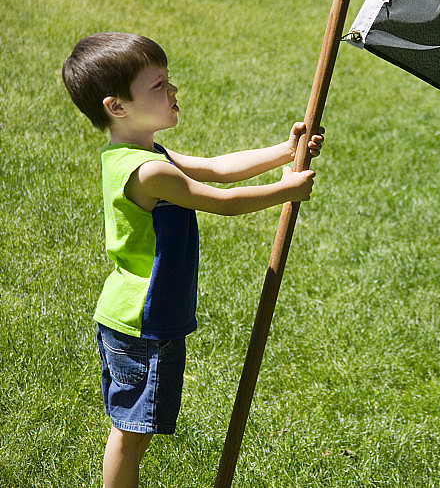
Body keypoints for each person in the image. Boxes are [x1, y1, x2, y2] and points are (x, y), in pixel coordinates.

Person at [62, 32, 323, 488]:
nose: (173, 91)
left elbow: (218, 167)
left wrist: (286, 151)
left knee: (130, 430)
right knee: (131, 433)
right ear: (116, 106)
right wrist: (287, 189)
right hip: (143, 320)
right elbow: (221, 200)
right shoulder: (150, 171)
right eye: (158, 85)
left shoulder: (137, 154)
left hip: (132, 315)